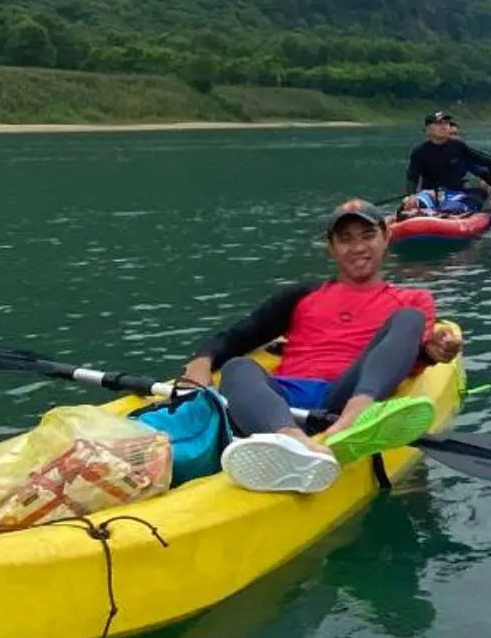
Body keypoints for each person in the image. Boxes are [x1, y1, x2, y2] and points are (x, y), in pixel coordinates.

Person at [175, 199, 463, 492]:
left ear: (386, 237)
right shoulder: (302, 295)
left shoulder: (412, 300)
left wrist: (431, 353)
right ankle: (291, 442)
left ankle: (355, 418)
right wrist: (202, 361)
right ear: (331, 248)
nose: (358, 247)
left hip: (345, 392)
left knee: (409, 319)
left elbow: (405, 356)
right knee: (238, 367)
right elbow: (242, 334)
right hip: (284, 399)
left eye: (367, 236)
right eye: (345, 239)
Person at [401, 110, 491, 217]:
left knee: (475, 195)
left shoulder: (458, 146)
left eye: (446, 123)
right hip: (431, 194)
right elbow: (412, 176)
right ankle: (425, 212)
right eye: (439, 124)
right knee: (408, 204)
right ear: (428, 129)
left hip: (455, 193)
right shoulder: (419, 151)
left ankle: (448, 211)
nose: (444, 126)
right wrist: (411, 195)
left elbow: (479, 160)